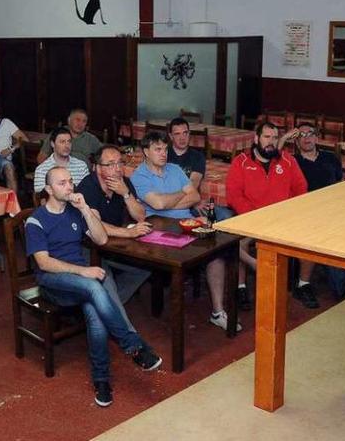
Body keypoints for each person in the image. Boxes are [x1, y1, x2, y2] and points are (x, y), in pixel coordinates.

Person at [26, 166, 162, 407]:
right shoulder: (36, 220)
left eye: (70, 181)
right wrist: (83, 271)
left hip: (81, 282)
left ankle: (101, 381)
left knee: (95, 314)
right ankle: (132, 345)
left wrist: (86, 210)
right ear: (48, 189)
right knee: (94, 286)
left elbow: (101, 239)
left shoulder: (76, 212)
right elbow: (43, 263)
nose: (69, 187)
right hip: (52, 282)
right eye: (61, 183)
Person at [130, 131, 239, 331]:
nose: (164, 153)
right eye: (157, 149)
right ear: (146, 152)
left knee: (217, 252)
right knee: (186, 260)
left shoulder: (175, 169)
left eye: (165, 149)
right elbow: (158, 204)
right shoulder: (139, 175)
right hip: (161, 229)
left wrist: (171, 199)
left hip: (188, 223)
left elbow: (195, 196)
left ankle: (218, 312)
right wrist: (181, 194)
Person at [226, 122, 307, 310]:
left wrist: (287, 211)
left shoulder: (287, 161)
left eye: (274, 137)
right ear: (256, 139)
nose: (271, 142)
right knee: (240, 242)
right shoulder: (241, 162)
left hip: (282, 218)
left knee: (306, 236)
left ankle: (304, 284)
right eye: (266, 137)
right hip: (251, 219)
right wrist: (255, 217)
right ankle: (240, 287)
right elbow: (234, 196)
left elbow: (301, 189)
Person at [288, 123, 345, 308]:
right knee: (327, 235)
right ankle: (344, 288)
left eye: (310, 134)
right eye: (301, 135)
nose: (307, 137)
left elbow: (341, 184)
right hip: (306, 211)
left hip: (333, 208)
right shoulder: (291, 162)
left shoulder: (330, 158)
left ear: (317, 138)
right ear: (296, 141)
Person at [76, 144, 153, 305]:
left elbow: (140, 216)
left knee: (147, 268)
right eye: (110, 164)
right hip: (87, 247)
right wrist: (128, 233)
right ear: (97, 168)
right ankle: (110, 310)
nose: (117, 169)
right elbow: (95, 225)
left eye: (120, 163)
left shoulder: (124, 182)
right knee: (105, 276)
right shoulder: (88, 186)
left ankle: (106, 306)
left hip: (114, 245)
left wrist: (125, 194)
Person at [167, 117, 233, 221]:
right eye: (177, 134)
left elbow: (193, 183)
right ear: (171, 136)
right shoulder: (163, 154)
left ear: (189, 134)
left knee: (226, 215)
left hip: (190, 203)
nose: (182, 138)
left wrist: (192, 202)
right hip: (170, 202)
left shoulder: (197, 156)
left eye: (185, 133)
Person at [37, 108, 102, 168]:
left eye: (84, 121)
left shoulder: (91, 139)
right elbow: (41, 157)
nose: (80, 124)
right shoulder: (57, 134)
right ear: (69, 120)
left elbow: (105, 154)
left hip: (82, 174)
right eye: (77, 120)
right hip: (60, 174)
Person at [34, 126, 89, 193]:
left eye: (69, 141)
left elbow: (87, 193)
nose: (67, 146)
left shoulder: (82, 166)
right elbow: (42, 199)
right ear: (52, 144)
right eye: (62, 142)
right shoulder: (42, 169)